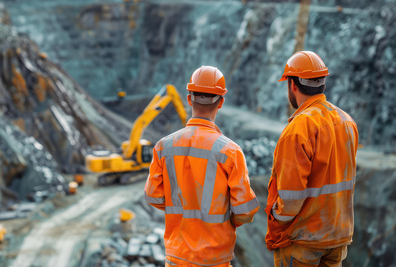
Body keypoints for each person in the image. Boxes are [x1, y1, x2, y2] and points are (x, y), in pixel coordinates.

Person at [144, 66, 259, 266]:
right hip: (214, 258)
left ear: (189, 99)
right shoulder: (230, 152)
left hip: (177, 257)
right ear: (221, 102)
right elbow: (245, 211)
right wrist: (227, 222)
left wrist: (179, 209)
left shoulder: (163, 147)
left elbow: (153, 195)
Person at [266, 51, 359, 266]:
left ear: (293, 85)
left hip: (303, 241)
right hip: (338, 237)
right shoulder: (347, 121)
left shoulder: (298, 129)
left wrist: (275, 221)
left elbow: (289, 200)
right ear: (322, 83)